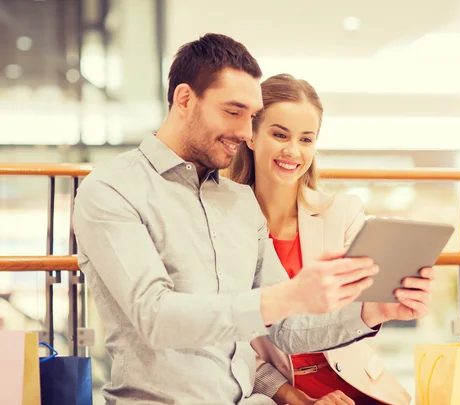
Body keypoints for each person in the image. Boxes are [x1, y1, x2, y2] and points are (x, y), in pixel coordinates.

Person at [72, 33, 432, 405]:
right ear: (184, 99)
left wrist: (374, 310)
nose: (245, 132)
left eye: (250, 116)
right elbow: (155, 317)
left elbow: (287, 329)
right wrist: (287, 296)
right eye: (233, 112)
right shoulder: (111, 189)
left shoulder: (240, 202)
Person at [229, 74, 431, 405]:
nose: (292, 150)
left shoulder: (343, 213)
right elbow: (233, 343)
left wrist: (391, 301)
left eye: (306, 139)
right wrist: (294, 397)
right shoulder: (224, 224)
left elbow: (359, 311)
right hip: (276, 393)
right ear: (251, 135)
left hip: (355, 383)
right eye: (280, 134)